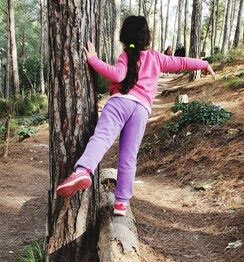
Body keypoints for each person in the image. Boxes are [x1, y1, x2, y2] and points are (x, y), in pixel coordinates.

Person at [56, 15, 215, 216]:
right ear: (146, 36)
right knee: (128, 157)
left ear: (124, 36)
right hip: (141, 111)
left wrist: (93, 60)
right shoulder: (157, 58)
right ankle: (121, 203)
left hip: (119, 103)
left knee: (102, 139)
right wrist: (203, 64)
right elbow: (181, 62)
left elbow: (118, 75)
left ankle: (83, 171)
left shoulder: (125, 57)